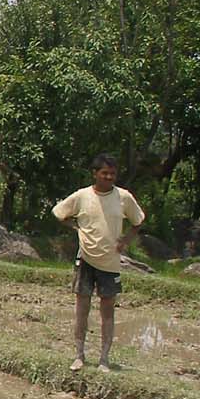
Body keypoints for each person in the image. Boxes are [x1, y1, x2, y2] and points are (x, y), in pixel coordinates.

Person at [52, 154, 144, 372]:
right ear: (95, 174)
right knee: (82, 309)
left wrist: (126, 241)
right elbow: (59, 213)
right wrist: (76, 229)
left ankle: (104, 359)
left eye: (112, 174)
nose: (109, 177)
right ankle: (79, 355)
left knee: (107, 311)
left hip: (110, 263)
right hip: (85, 260)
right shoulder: (82, 196)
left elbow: (138, 221)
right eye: (104, 173)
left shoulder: (124, 197)